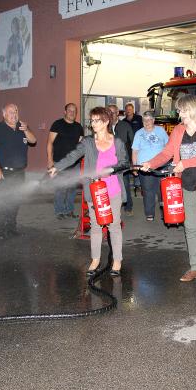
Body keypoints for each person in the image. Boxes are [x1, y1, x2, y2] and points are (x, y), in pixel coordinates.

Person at [141, 94, 196, 283]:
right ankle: (195, 268)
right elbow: (167, 152)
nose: (179, 113)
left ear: (191, 109)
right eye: (179, 110)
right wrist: (151, 163)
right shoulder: (179, 130)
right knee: (190, 227)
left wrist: (185, 163)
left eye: (181, 109)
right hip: (188, 184)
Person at [49, 107, 129, 277]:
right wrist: (57, 166)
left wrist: (111, 169)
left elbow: (124, 163)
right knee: (96, 226)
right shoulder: (87, 142)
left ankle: (117, 260)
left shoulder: (118, 142)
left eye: (96, 120)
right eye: (91, 120)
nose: (93, 124)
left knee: (114, 225)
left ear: (106, 121)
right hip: (95, 191)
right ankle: (95, 260)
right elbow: (73, 156)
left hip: (113, 189)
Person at [0, 103, 37, 240]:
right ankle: (0, 231)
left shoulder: (22, 127)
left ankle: (11, 228)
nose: (14, 114)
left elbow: (33, 140)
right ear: (4, 114)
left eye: (15, 111)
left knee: (15, 201)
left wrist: (26, 130)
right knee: (3, 202)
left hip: (20, 172)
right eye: (10, 112)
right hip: (5, 173)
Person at [47, 103, 83, 219]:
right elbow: (49, 143)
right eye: (70, 110)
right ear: (65, 111)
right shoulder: (57, 124)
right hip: (59, 163)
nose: (72, 113)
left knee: (72, 189)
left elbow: (81, 146)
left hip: (74, 164)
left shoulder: (79, 127)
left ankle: (69, 210)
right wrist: (50, 160)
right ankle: (59, 211)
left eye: (74, 111)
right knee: (60, 188)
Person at [131, 110, 169, 221]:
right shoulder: (139, 133)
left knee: (162, 191)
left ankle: (164, 213)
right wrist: (135, 166)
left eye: (149, 120)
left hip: (161, 166)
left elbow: (169, 147)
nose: (147, 122)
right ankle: (149, 213)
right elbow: (135, 151)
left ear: (153, 120)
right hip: (144, 167)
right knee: (148, 191)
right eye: (144, 120)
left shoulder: (161, 131)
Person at [108, 104, 135, 216]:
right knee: (109, 186)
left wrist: (133, 162)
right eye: (108, 113)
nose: (111, 115)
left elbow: (133, 144)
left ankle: (128, 207)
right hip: (108, 162)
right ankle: (111, 208)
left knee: (124, 184)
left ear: (118, 113)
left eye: (113, 112)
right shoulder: (104, 126)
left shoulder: (126, 126)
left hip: (123, 162)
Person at [123, 103, 144, 197]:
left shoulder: (139, 119)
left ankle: (139, 185)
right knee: (132, 164)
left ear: (133, 110)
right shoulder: (123, 121)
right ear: (125, 111)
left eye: (130, 109)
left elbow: (144, 130)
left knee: (138, 163)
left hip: (139, 146)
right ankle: (136, 185)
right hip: (128, 147)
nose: (128, 111)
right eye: (127, 109)